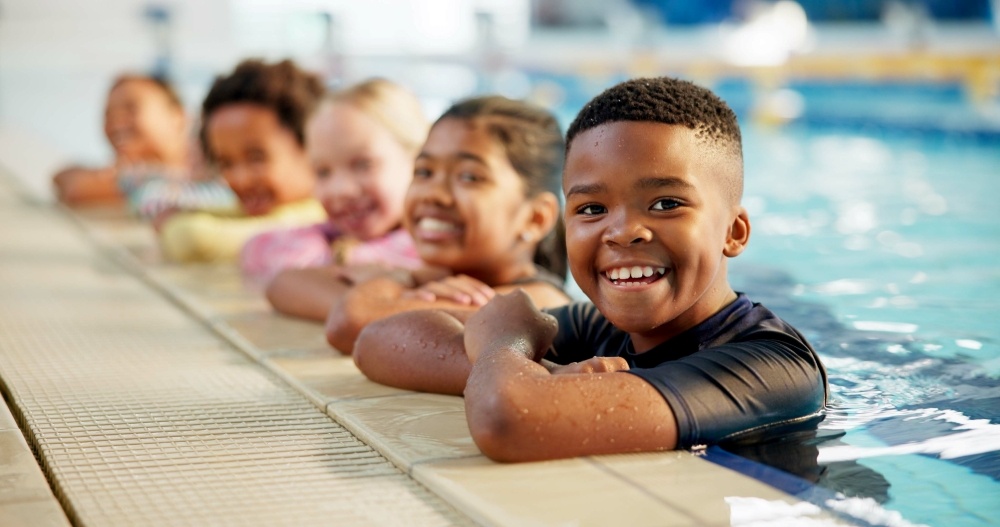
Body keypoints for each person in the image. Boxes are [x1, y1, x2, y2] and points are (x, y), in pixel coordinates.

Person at [352, 77, 828, 461]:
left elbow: (510, 420)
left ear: (734, 232)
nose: (622, 232)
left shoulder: (772, 367)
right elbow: (377, 341)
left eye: (665, 203)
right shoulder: (598, 329)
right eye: (592, 208)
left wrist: (505, 347)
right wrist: (548, 374)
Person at [319, 95, 573, 352]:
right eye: (424, 172)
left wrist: (394, 282)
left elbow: (350, 320)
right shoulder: (437, 281)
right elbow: (285, 283)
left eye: (469, 177)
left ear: (535, 218)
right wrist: (402, 285)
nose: (433, 193)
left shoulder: (536, 304)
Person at [245, 78, 428, 289]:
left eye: (363, 164)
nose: (340, 189)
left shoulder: (433, 246)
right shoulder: (332, 236)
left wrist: (343, 258)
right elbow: (254, 248)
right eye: (323, 172)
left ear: (418, 161)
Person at [157, 59, 327, 263]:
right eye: (225, 163)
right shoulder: (270, 211)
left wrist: (171, 223)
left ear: (312, 147)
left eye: (257, 159)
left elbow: (193, 239)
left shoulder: (319, 220)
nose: (240, 179)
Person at [52, 74, 190, 205]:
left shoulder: (200, 174)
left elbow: (77, 189)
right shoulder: (127, 174)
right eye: (108, 114)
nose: (116, 123)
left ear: (177, 116)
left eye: (131, 108)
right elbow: (67, 181)